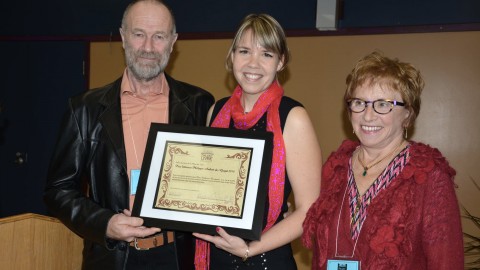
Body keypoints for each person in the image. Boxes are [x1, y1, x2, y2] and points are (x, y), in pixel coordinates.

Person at [43, 0, 214, 269]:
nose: (148, 47)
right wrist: (106, 223)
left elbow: (215, 183)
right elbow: (58, 190)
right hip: (112, 257)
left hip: (179, 257)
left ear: (173, 42)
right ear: (123, 37)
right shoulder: (84, 109)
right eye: (138, 34)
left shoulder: (199, 104)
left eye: (159, 36)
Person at [302, 51, 464, 269]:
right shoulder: (336, 168)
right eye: (359, 102)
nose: (368, 116)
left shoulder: (430, 176)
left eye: (383, 104)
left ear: (408, 113)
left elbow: (446, 262)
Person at [192, 14, 322, 269]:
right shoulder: (216, 112)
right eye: (244, 51)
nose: (254, 64)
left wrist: (250, 249)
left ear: (281, 62)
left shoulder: (293, 117)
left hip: (265, 258)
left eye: (266, 54)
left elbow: (309, 209)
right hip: (216, 256)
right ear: (232, 57)